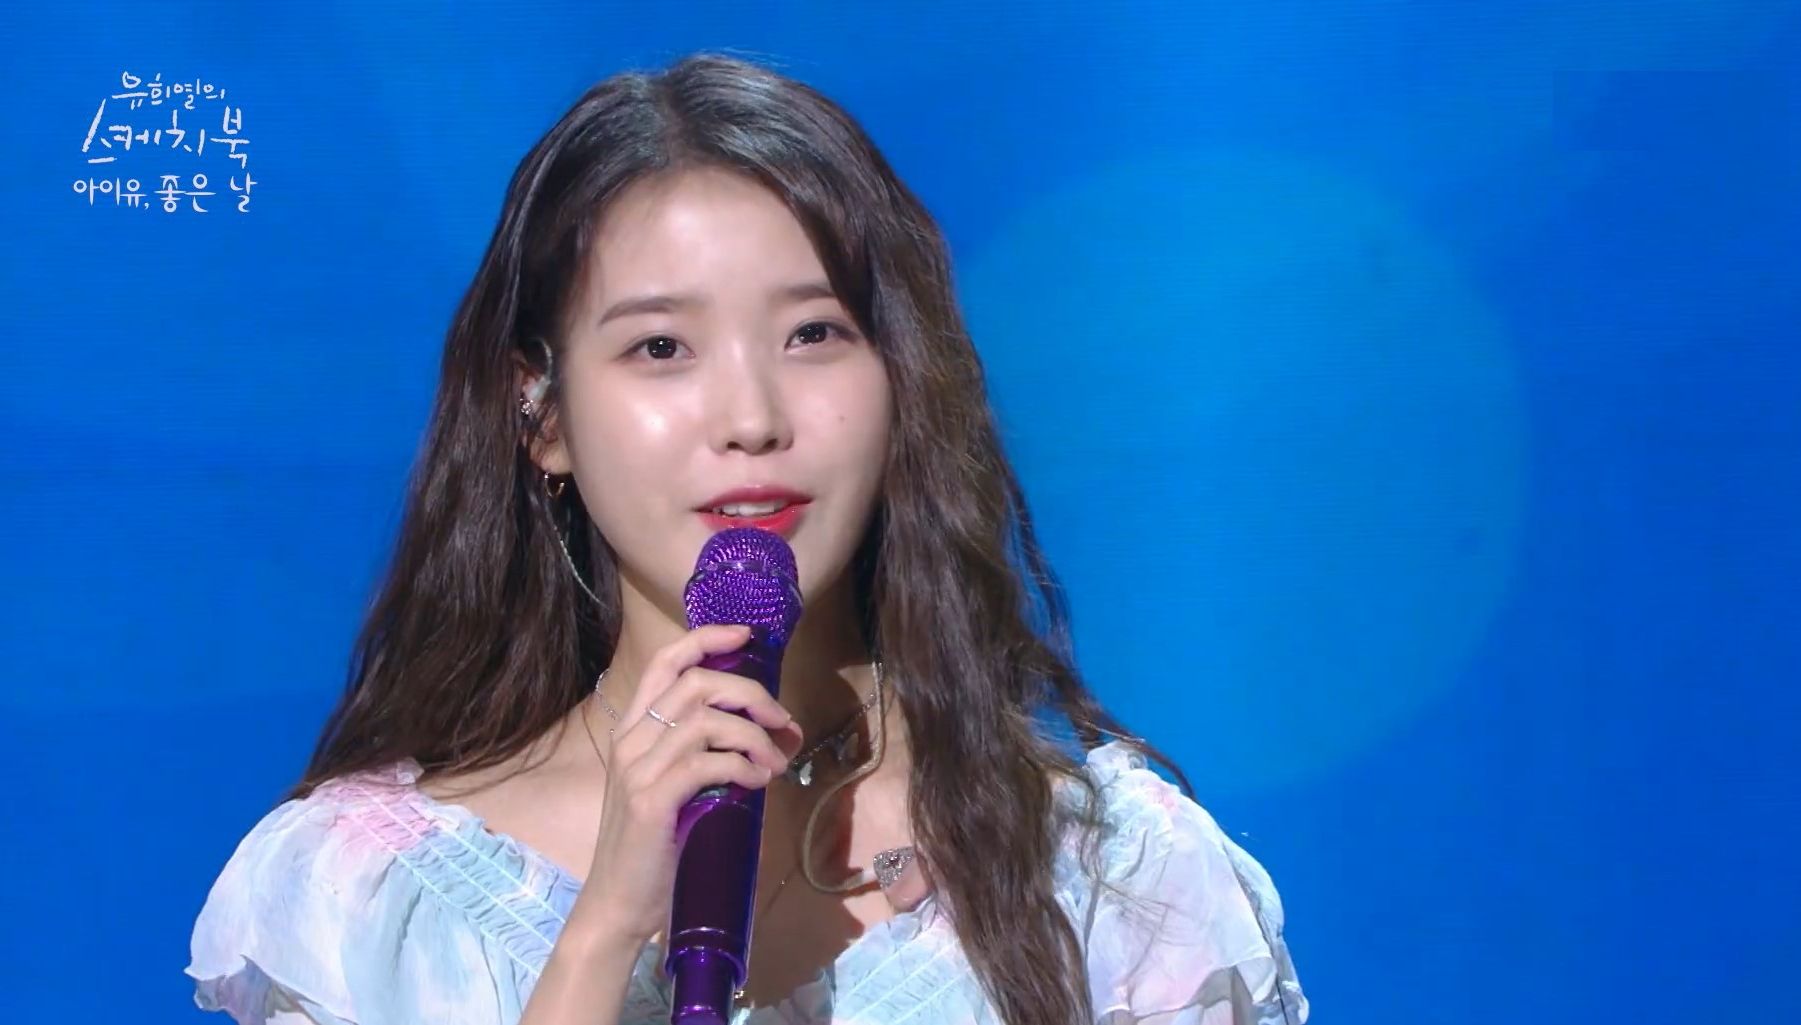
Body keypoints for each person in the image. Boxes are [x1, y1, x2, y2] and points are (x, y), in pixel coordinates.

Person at [184, 53, 1309, 1025]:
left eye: (814, 333)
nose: (752, 418)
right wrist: (604, 928)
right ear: (542, 415)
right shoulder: (368, 897)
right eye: (661, 348)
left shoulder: (1112, 878)